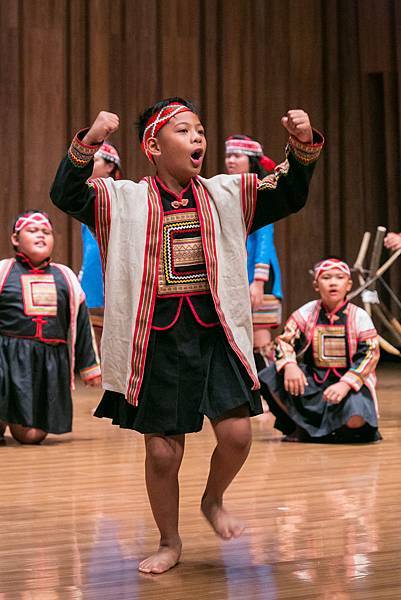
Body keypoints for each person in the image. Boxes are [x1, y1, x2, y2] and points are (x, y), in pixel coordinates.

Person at [50, 97, 323, 573]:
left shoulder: (228, 193)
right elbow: (66, 193)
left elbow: (289, 192)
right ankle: (169, 540)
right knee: (161, 450)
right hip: (156, 339)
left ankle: (213, 498)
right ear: (153, 145)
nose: (198, 138)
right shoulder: (122, 199)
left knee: (238, 435)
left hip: (214, 333)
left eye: (200, 130)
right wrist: (91, 140)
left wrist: (300, 146)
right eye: (184, 131)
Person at [0, 210, 101, 445]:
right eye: (32, 230)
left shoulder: (65, 276)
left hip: (45, 363)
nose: (40, 235)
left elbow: (81, 323)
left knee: (31, 436)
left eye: (46, 231)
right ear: (16, 239)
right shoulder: (4, 271)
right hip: (6, 358)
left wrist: (90, 367)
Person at [259, 257, 381, 443]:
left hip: (347, 383)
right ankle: (299, 428)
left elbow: (370, 354)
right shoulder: (306, 313)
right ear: (316, 285)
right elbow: (284, 342)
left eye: (339, 277)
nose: (333, 282)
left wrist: (345, 384)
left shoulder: (359, 316)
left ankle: (322, 431)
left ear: (348, 285)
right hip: (314, 382)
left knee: (356, 419)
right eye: (326, 277)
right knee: (268, 377)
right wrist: (290, 365)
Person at [225, 134, 282, 370]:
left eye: (236, 156)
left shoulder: (259, 191)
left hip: (258, 274)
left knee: (260, 341)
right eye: (228, 155)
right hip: (234, 274)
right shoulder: (226, 191)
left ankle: (271, 398)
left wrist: (258, 281)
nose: (230, 160)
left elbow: (264, 237)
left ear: (251, 161)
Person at [80, 142, 123, 309]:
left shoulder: (119, 197)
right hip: (93, 283)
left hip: (111, 284)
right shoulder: (89, 198)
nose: (88, 165)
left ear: (110, 166)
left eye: (95, 160)